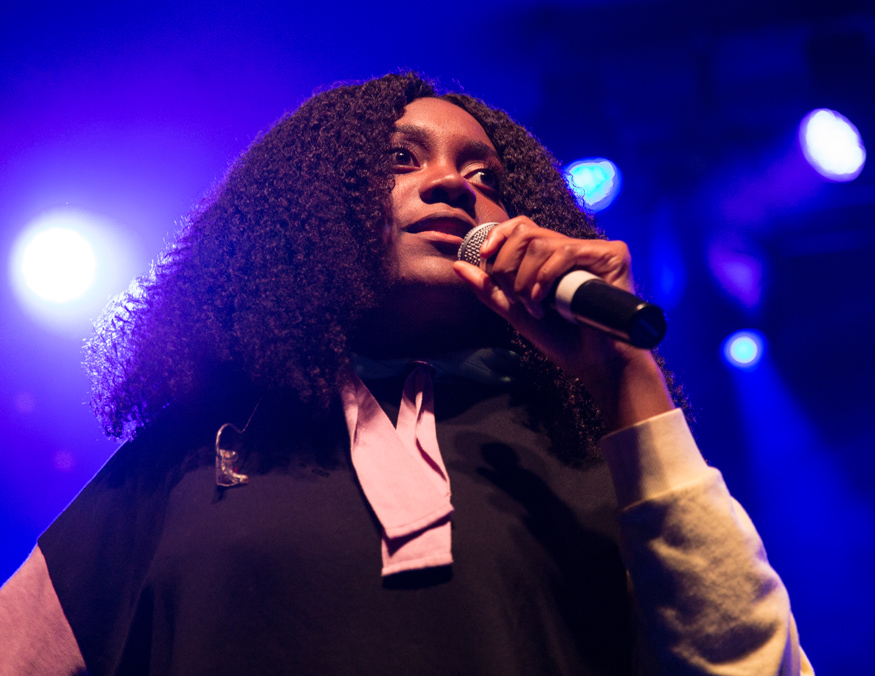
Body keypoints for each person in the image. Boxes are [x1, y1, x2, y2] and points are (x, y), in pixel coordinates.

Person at [0, 72, 813, 675]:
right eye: (398, 158)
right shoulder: (199, 448)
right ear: (307, 210)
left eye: (487, 176)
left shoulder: (584, 450)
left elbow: (754, 663)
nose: (452, 183)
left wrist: (623, 373)